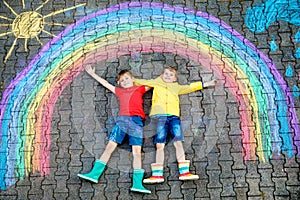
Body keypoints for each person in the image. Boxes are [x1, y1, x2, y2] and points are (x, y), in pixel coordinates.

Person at [134, 66, 217, 184]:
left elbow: (189, 87)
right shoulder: (156, 83)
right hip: (160, 117)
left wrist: (206, 84)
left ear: (174, 79)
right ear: (161, 76)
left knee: (178, 142)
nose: (168, 76)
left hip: (174, 117)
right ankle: (157, 175)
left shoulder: (177, 87)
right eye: (166, 74)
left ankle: (184, 172)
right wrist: (130, 79)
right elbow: (141, 82)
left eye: (171, 75)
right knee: (159, 145)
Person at [78, 65, 151, 194]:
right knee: (110, 147)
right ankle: (94, 174)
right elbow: (105, 83)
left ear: (133, 79)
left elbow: (154, 84)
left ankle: (137, 184)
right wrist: (92, 74)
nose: (125, 81)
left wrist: (137, 80)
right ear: (119, 83)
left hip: (136, 122)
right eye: (122, 80)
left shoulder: (139, 89)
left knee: (137, 152)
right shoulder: (119, 91)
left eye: (127, 78)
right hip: (122, 121)